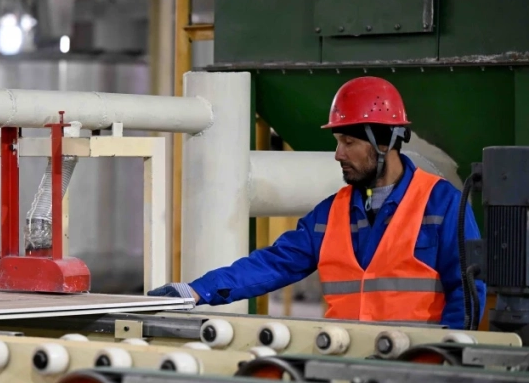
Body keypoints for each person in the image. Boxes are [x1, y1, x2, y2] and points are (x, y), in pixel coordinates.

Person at [150, 76, 485, 330]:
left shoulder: (442, 204)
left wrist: (446, 356)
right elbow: (274, 263)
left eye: (348, 142)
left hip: (417, 365)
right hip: (343, 365)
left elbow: (467, 291)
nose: (338, 154)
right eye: (338, 142)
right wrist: (195, 291)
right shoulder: (332, 213)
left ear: (384, 142)